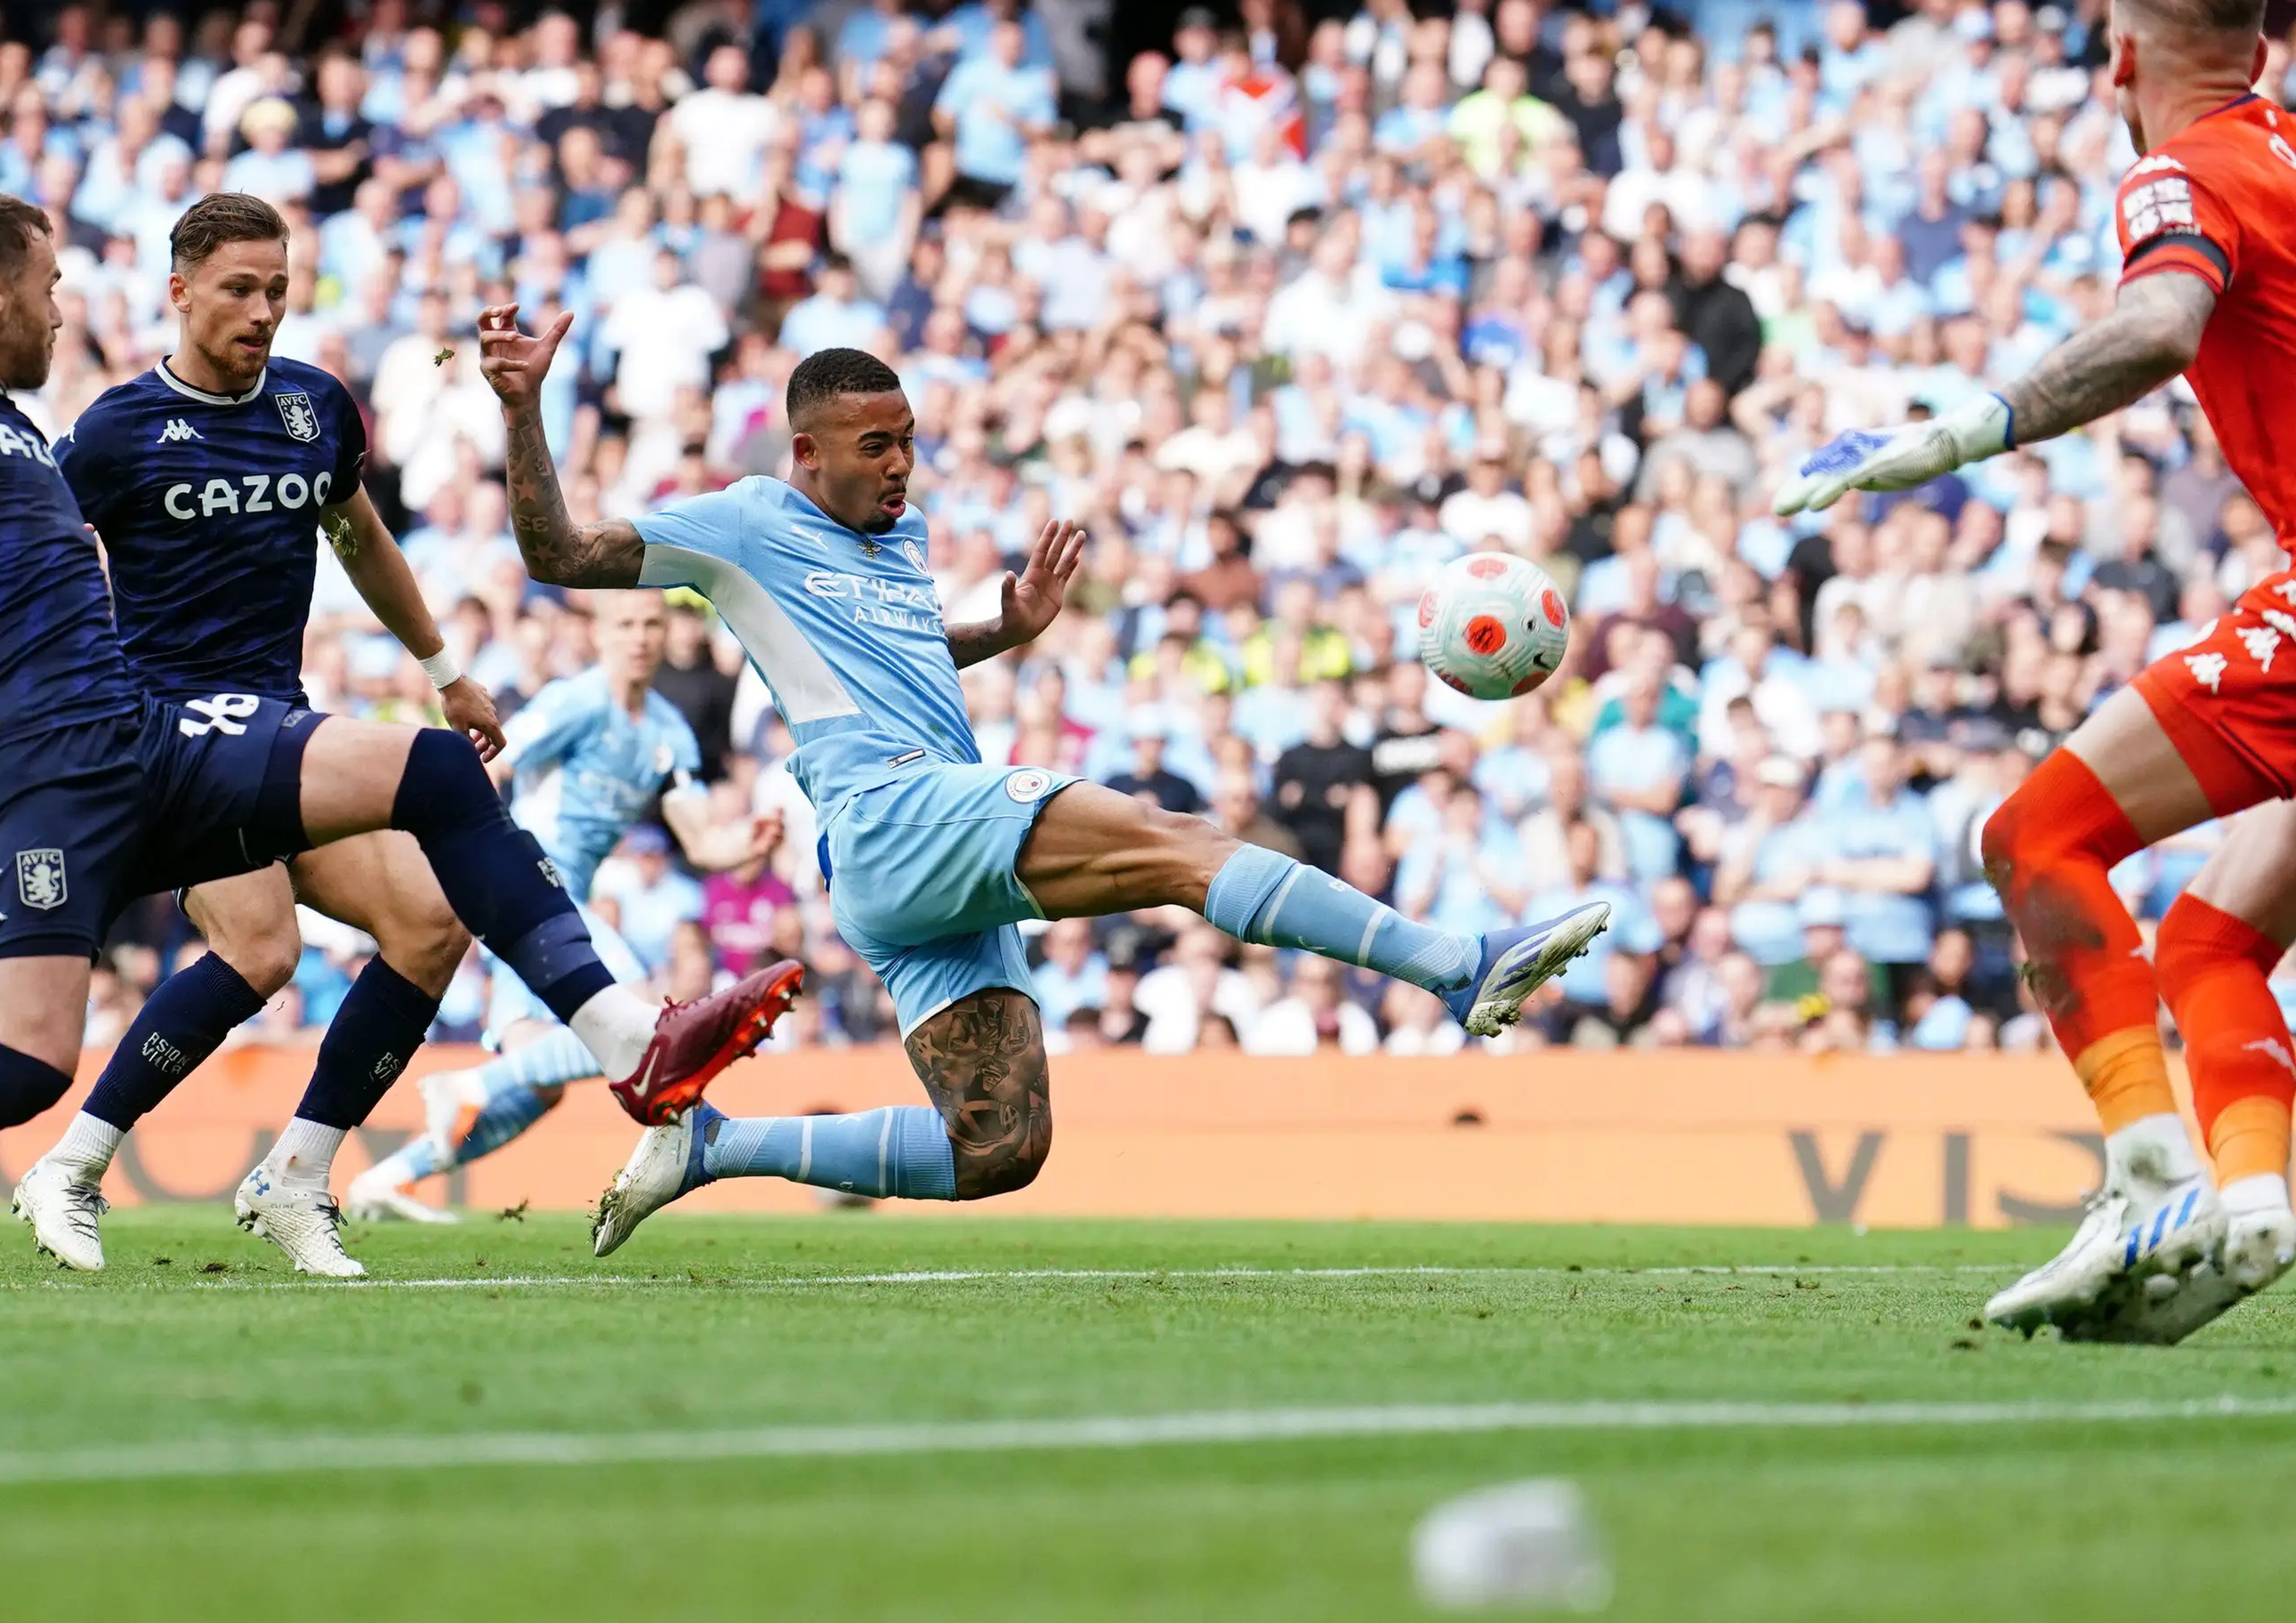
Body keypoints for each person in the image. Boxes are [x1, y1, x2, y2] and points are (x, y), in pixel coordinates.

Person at [0, 131, 678, 1294]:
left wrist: (439, 662)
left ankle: (619, 1043)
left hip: (143, 736)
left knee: (435, 790)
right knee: (30, 1061)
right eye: (49, 286)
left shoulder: (25, 434)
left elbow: (349, 535)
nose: (62, 309)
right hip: (29, 767)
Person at [1776, 0, 2296, 1344]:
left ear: (2123, 60)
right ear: (2259, 56)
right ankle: (2248, 1202)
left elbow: (2158, 326)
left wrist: (1958, 434)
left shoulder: (2178, 174)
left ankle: (2145, 1179)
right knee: (2211, 938)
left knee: (2035, 837)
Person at [467, 325, 1608, 1254]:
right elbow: (559, 552)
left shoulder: (899, 535)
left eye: (910, 442)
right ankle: (1456, 965)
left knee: (997, 1145)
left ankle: (712, 1145)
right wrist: (523, 408)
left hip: (913, 851)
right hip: (893, 812)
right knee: (1176, 840)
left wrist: (1000, 631)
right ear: (806, 451)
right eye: (875, 445)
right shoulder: (746, 523)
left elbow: (893, 656)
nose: (900, 465)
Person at [6, 195, 799, 1274]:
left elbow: (361, 537)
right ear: (179, 290)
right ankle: (71, 1164)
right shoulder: (112, 432)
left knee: (429, 922)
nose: (263, 310)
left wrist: (446, 670)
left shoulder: (314, 406)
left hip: (275, 724)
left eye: (278, 289)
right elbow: (36, 570)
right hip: (172, 738)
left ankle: (295, 1174)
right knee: (263, 945)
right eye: (239, 288)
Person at [344, 585, 786, 1224]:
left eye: (651, 624)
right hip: (528, 883)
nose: (640, 637)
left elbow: (700, 841)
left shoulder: (667, 732)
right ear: (599, 634)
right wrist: (475, 861)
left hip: (558, 898)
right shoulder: (575, 702)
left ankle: (388, 1177)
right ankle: (465, 1086)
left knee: (539, 1083)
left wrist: (744, 842)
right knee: (639, 1015)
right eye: (626, 624)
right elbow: (490, 763)